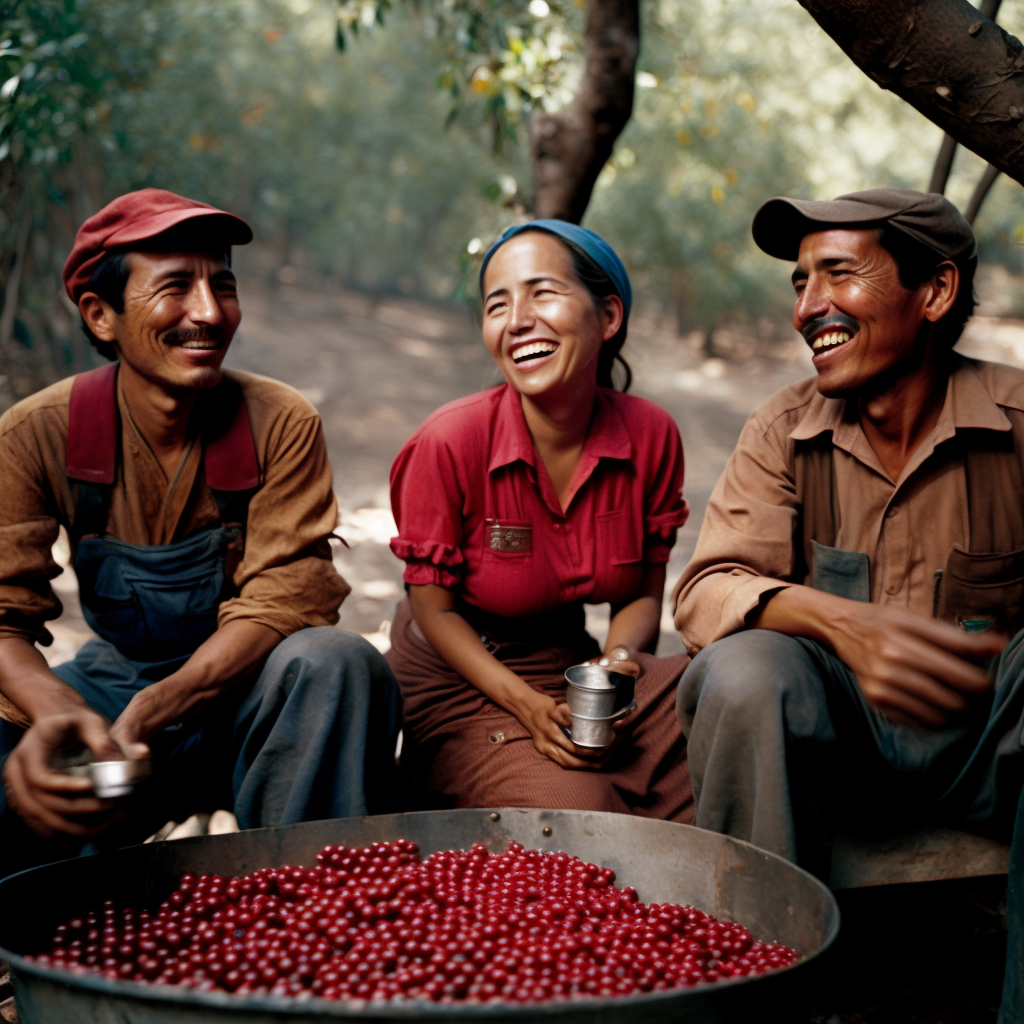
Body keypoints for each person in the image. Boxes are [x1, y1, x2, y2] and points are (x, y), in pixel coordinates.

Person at [672, 188, 1024, 1020]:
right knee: (745, 669)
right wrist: (835, 620)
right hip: (840, 757)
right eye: (799, 283)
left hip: (989, 754)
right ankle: (759, 1004)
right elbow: (704, 592)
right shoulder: (784, 428)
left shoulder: (1020, 423)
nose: (807, 308)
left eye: (837, 275)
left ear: (934, 293)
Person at [0, 189, 400, 875]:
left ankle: (309, 908)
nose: (210, 313)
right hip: (113, 685)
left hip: (247, 692)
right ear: (101, 316)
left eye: (223, 285)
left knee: (336, 662)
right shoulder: (36, 434)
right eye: (176, 288)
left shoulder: (280, 422)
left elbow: (286, 602)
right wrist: (64, 717)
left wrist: (157, 710)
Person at [386, 219, 691, 818]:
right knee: (581, 809)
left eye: (542, 292)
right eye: (497, 305)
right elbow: (433, 608)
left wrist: (621, 669)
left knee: (713, 711)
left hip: (571, 664)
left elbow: (642, 594)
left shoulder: (651, 436)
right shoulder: (450, 441)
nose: (517, 319)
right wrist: (527, 706)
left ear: (608, 317)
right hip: (463, 674)